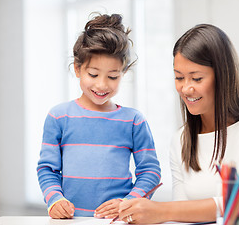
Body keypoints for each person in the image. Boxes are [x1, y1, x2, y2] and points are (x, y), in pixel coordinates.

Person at [117, 24, 239, 224]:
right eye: (179, 77)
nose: (186, 88)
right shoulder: (180, 140)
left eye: (196, 78)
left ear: (223, 76)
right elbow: (182, 214)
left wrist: (161, 211)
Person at [37, 13, 161, 219]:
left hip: (118, 221)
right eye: (93, 74)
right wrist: (55, 199)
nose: (102, 85)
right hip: (71, 221)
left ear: (123, 73)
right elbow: (47, 169)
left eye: (113, 76)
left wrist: (129, 202)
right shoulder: (58, 117)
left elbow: (150, 171)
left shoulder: (133, 121)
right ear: (77, 69)